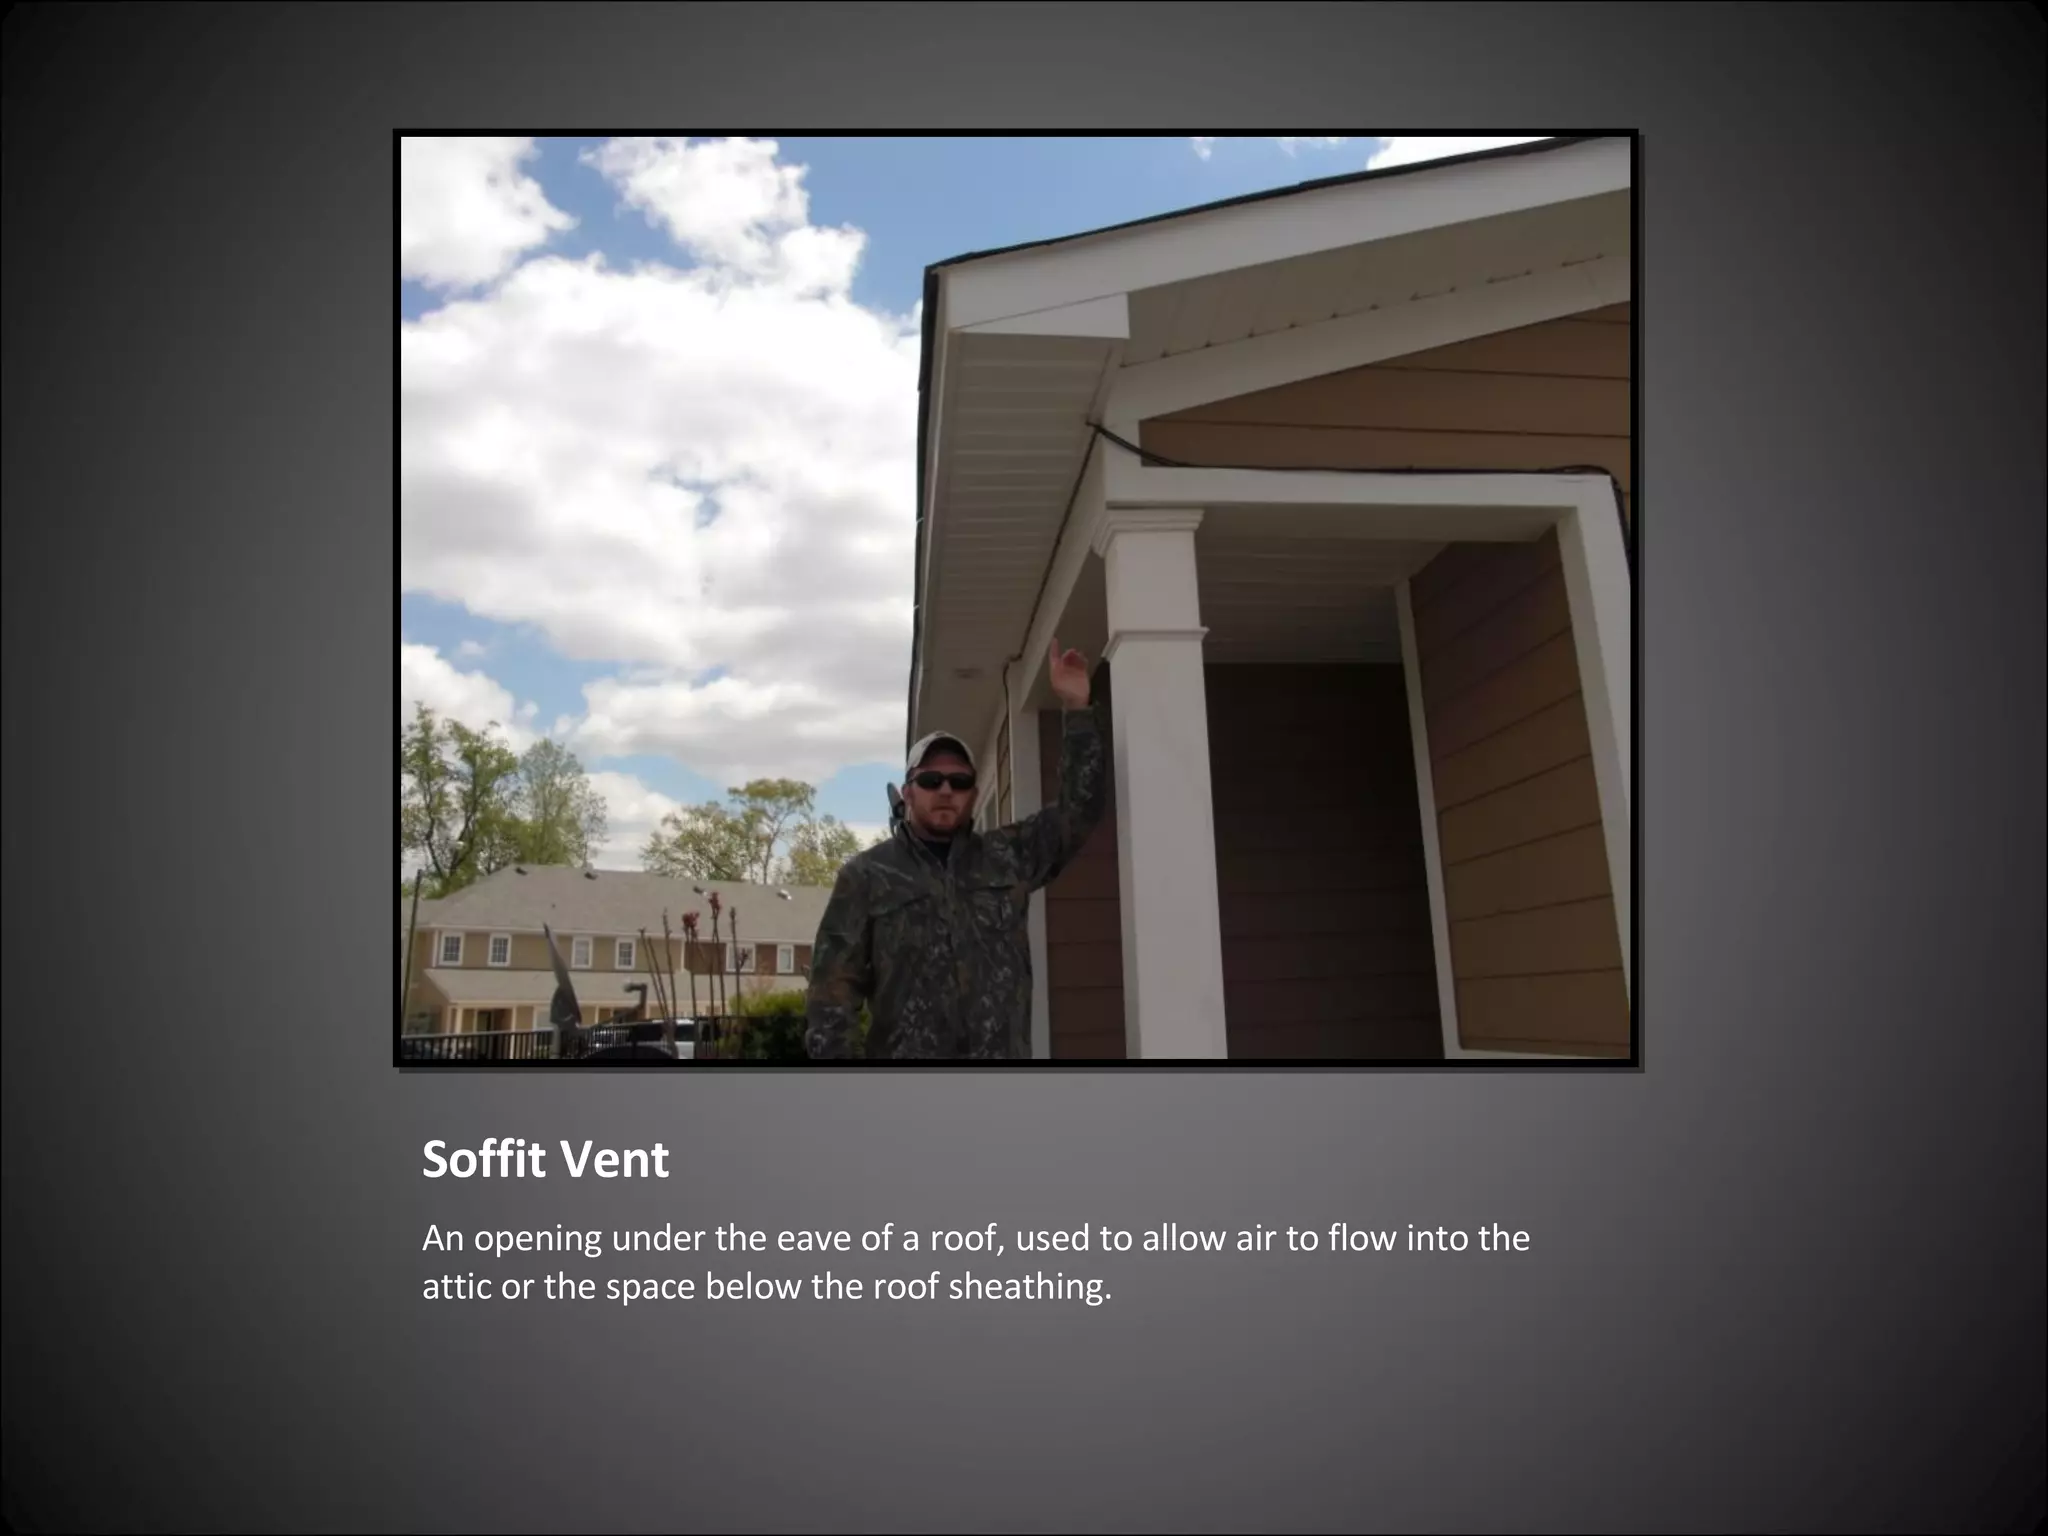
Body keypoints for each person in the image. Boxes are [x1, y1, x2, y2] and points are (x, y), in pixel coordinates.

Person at [805, 639, 1106, 1060]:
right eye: (931, 781)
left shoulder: (1009, 855)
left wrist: (1076, 708)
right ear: (909, 792)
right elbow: (831, 994)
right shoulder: (865, 877)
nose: (946, 790)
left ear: (973, 793)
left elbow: (1080, 809)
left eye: (959, 781)